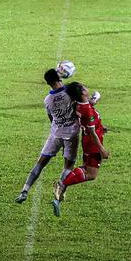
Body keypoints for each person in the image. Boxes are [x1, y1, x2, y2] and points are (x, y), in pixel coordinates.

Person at [16, 68, 80, 204]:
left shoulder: (48, 100)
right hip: (71, 135)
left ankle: (24, 190)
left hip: (56, 134)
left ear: (47, 83)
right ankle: (58, 196)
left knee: (40, 163)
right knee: (68, 167)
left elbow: (51, 118)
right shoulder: (69, 92)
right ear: (59, 78)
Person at [53, 82, 108, 217]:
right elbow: (92, 131)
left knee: (86, 168)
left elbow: (90, 109)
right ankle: (62, 184)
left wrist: (100, 126)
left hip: (87, 141)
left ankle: (62, 186)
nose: (86, 87)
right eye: (83, 87)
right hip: (93, 143)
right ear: (82, 93)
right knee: (91, 174)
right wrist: (102, 149)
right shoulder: (87, 109)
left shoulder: (80, 105)